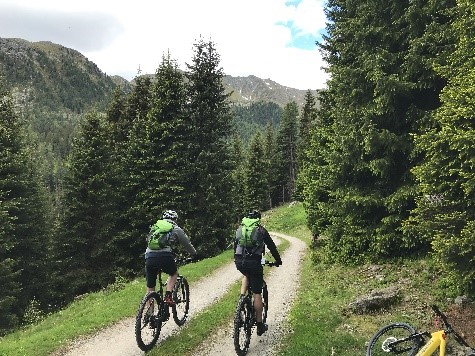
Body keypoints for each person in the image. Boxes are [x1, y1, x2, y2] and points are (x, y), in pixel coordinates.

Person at [234, 209, 282, 336]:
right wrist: (278, 261)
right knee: (257, 293)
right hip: (254, 263)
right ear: (257, 219)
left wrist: (239, 261)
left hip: (239, 261)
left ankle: (241, 299)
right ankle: (260, 325)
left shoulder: (240, 229)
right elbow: (272, 247)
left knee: (246, 275)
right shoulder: (261, 230)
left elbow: (235, 247)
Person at [145, 209, 197, 305]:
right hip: (165, 255)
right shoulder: (175, 228)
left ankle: (149, 315)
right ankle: (168, 296)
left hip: (149, 256)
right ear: (175, 219)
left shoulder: (155, 227)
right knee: (173, 273)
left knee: (150, 287)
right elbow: (187, 243)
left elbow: (148, 240)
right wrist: (194, 254)